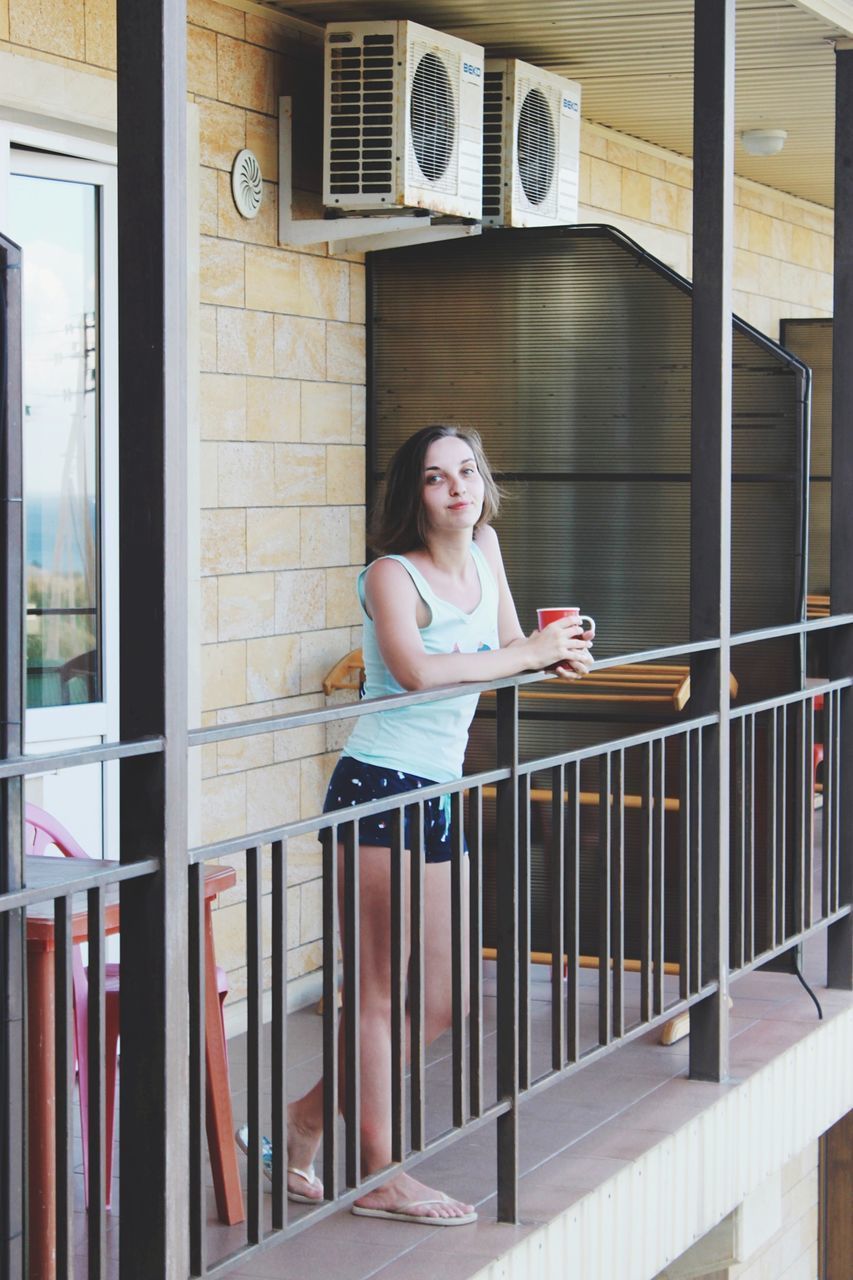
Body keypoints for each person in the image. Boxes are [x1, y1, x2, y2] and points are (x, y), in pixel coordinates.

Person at [241, 424, 594, 1225]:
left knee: (441, 999)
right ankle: (379, 1176)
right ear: (414, 495)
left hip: (438, 790)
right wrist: (524, 655)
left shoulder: (486, 549)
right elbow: (416, 671)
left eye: (467, 470)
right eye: (437, 478)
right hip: (377, 788)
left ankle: (301, 1121)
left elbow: (508, 644)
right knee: (372, 993)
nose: (458, 487)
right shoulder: (389, 575)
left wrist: (552, 652)